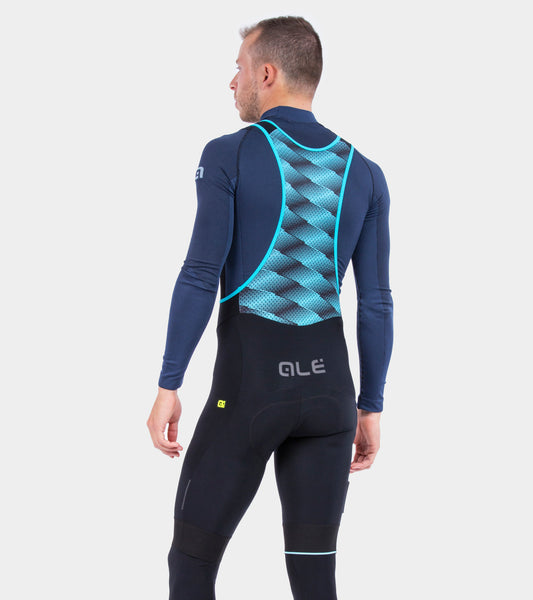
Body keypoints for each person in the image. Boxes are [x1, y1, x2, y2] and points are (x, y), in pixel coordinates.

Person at [147, 15, 393, 600]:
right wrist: (371, 406)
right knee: (314, 580)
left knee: (191, 564)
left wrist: (168, 383)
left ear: (267, 74)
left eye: (238, 70)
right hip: (331, 399)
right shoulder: (366, 173)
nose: (231, 83)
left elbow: (200, 274)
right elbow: (376, 303)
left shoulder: (229, 154)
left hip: (249, 394)